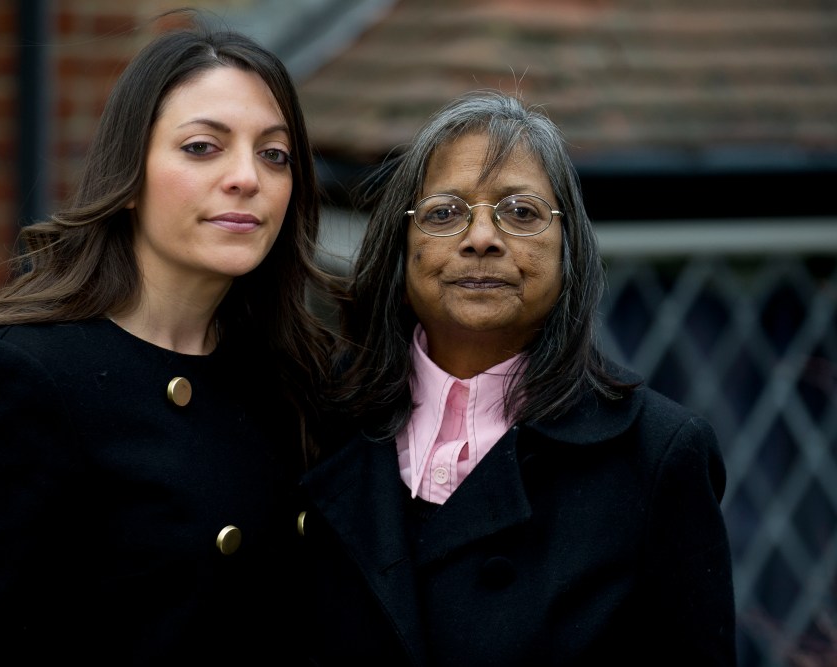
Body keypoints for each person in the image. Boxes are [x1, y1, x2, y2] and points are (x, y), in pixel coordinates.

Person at [0, 9, 330, 665]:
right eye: (202, 146)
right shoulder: (16, 378)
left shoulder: (294, 376)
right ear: (128, 178)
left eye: (274, 153)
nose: (248, 176)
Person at [297, 90, 737, 666]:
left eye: (521, 213)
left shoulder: (657, 456)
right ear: (402, 248)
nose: (481, 237)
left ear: (568, 249)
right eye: (444, 212)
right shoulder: (314, 416)